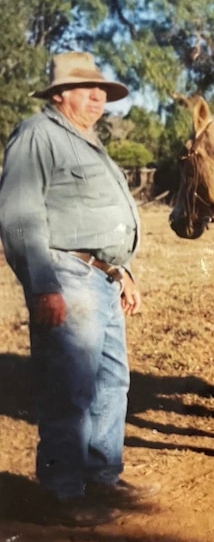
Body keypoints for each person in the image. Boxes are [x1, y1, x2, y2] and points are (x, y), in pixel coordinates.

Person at [0, 52, 159, 526]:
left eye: (103, 92)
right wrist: (43, 286)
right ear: (58, 94)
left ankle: (102, 478)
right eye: (88, 89)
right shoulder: (37, 135)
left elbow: (97, 213)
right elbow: (21, 217)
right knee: (69, 388)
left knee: (112, 381)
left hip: (103, 279)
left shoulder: (88, 141)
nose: (99, 98)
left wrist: (123, 271)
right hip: (66, 276)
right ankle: (63, 494)